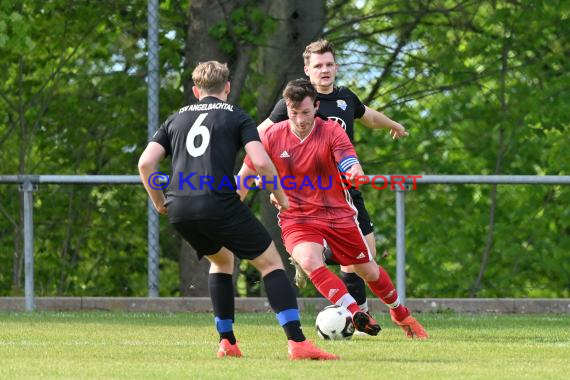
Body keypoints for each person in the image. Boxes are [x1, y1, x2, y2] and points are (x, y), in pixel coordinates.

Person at [138, 61, 338, 360]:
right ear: (227, 87)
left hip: (180, 205)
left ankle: (227, 341)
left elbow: (145, 163)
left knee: (221, 261)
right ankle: (297, 343)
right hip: (217, 200)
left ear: (196, 90)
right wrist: (279, 194)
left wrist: (158, 201)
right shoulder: (236, 116)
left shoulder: (175, 119)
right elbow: (259, 160)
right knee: (271, 264)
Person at [239, 78, 427, 339]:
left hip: (337, 212)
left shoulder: (331, 131)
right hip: (297, 216)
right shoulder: (271, 135)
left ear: (316, 106)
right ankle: (354, 311)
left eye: (305, 112)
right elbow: (245, 176)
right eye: (294, 113)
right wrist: (230, 206)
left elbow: (349, 160)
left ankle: (399, 312)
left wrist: (355, 172)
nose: (300, 119)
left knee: (368, 270)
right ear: (287, 109)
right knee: (308, 260)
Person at [258, 39, 408, 318]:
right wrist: (274, 182)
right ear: (307, 69)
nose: (324, 70)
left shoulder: (345, 97)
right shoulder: (295, 101)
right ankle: (357, 314)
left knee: (366, 259)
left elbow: (368, 117)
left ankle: (320, 270)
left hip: (346, 190)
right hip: (307, 197)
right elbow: (260, 139)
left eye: (329, 64)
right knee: (348, 261)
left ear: (336, 66)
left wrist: (394, 125)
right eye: (318, 66)